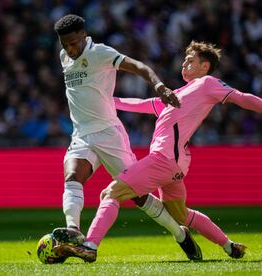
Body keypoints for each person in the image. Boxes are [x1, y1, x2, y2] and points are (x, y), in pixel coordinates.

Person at [52, 41, 262, 263]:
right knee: (182, 215)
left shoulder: (207, 84)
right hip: (174, 168)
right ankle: (228, 246)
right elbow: (139, 104)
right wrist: (100, 101)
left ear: (205, 67)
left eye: (191, 59)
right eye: (185, 58)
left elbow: (242, 97)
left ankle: (90, 246)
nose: (184, 62)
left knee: (110, 193)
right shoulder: (175, 95)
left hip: (162, 160)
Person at [51, 14, 202, 261]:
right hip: (81, 134)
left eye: (74, 43)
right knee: (72, 175)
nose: (70, 48)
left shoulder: (100, 53)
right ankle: (73, 231)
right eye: (65, 44)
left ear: (83, 36)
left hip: (109, 134)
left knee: (139, 196)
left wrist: (159, 86)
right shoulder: (64, 57)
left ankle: (180, 233)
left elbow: (139, 66)